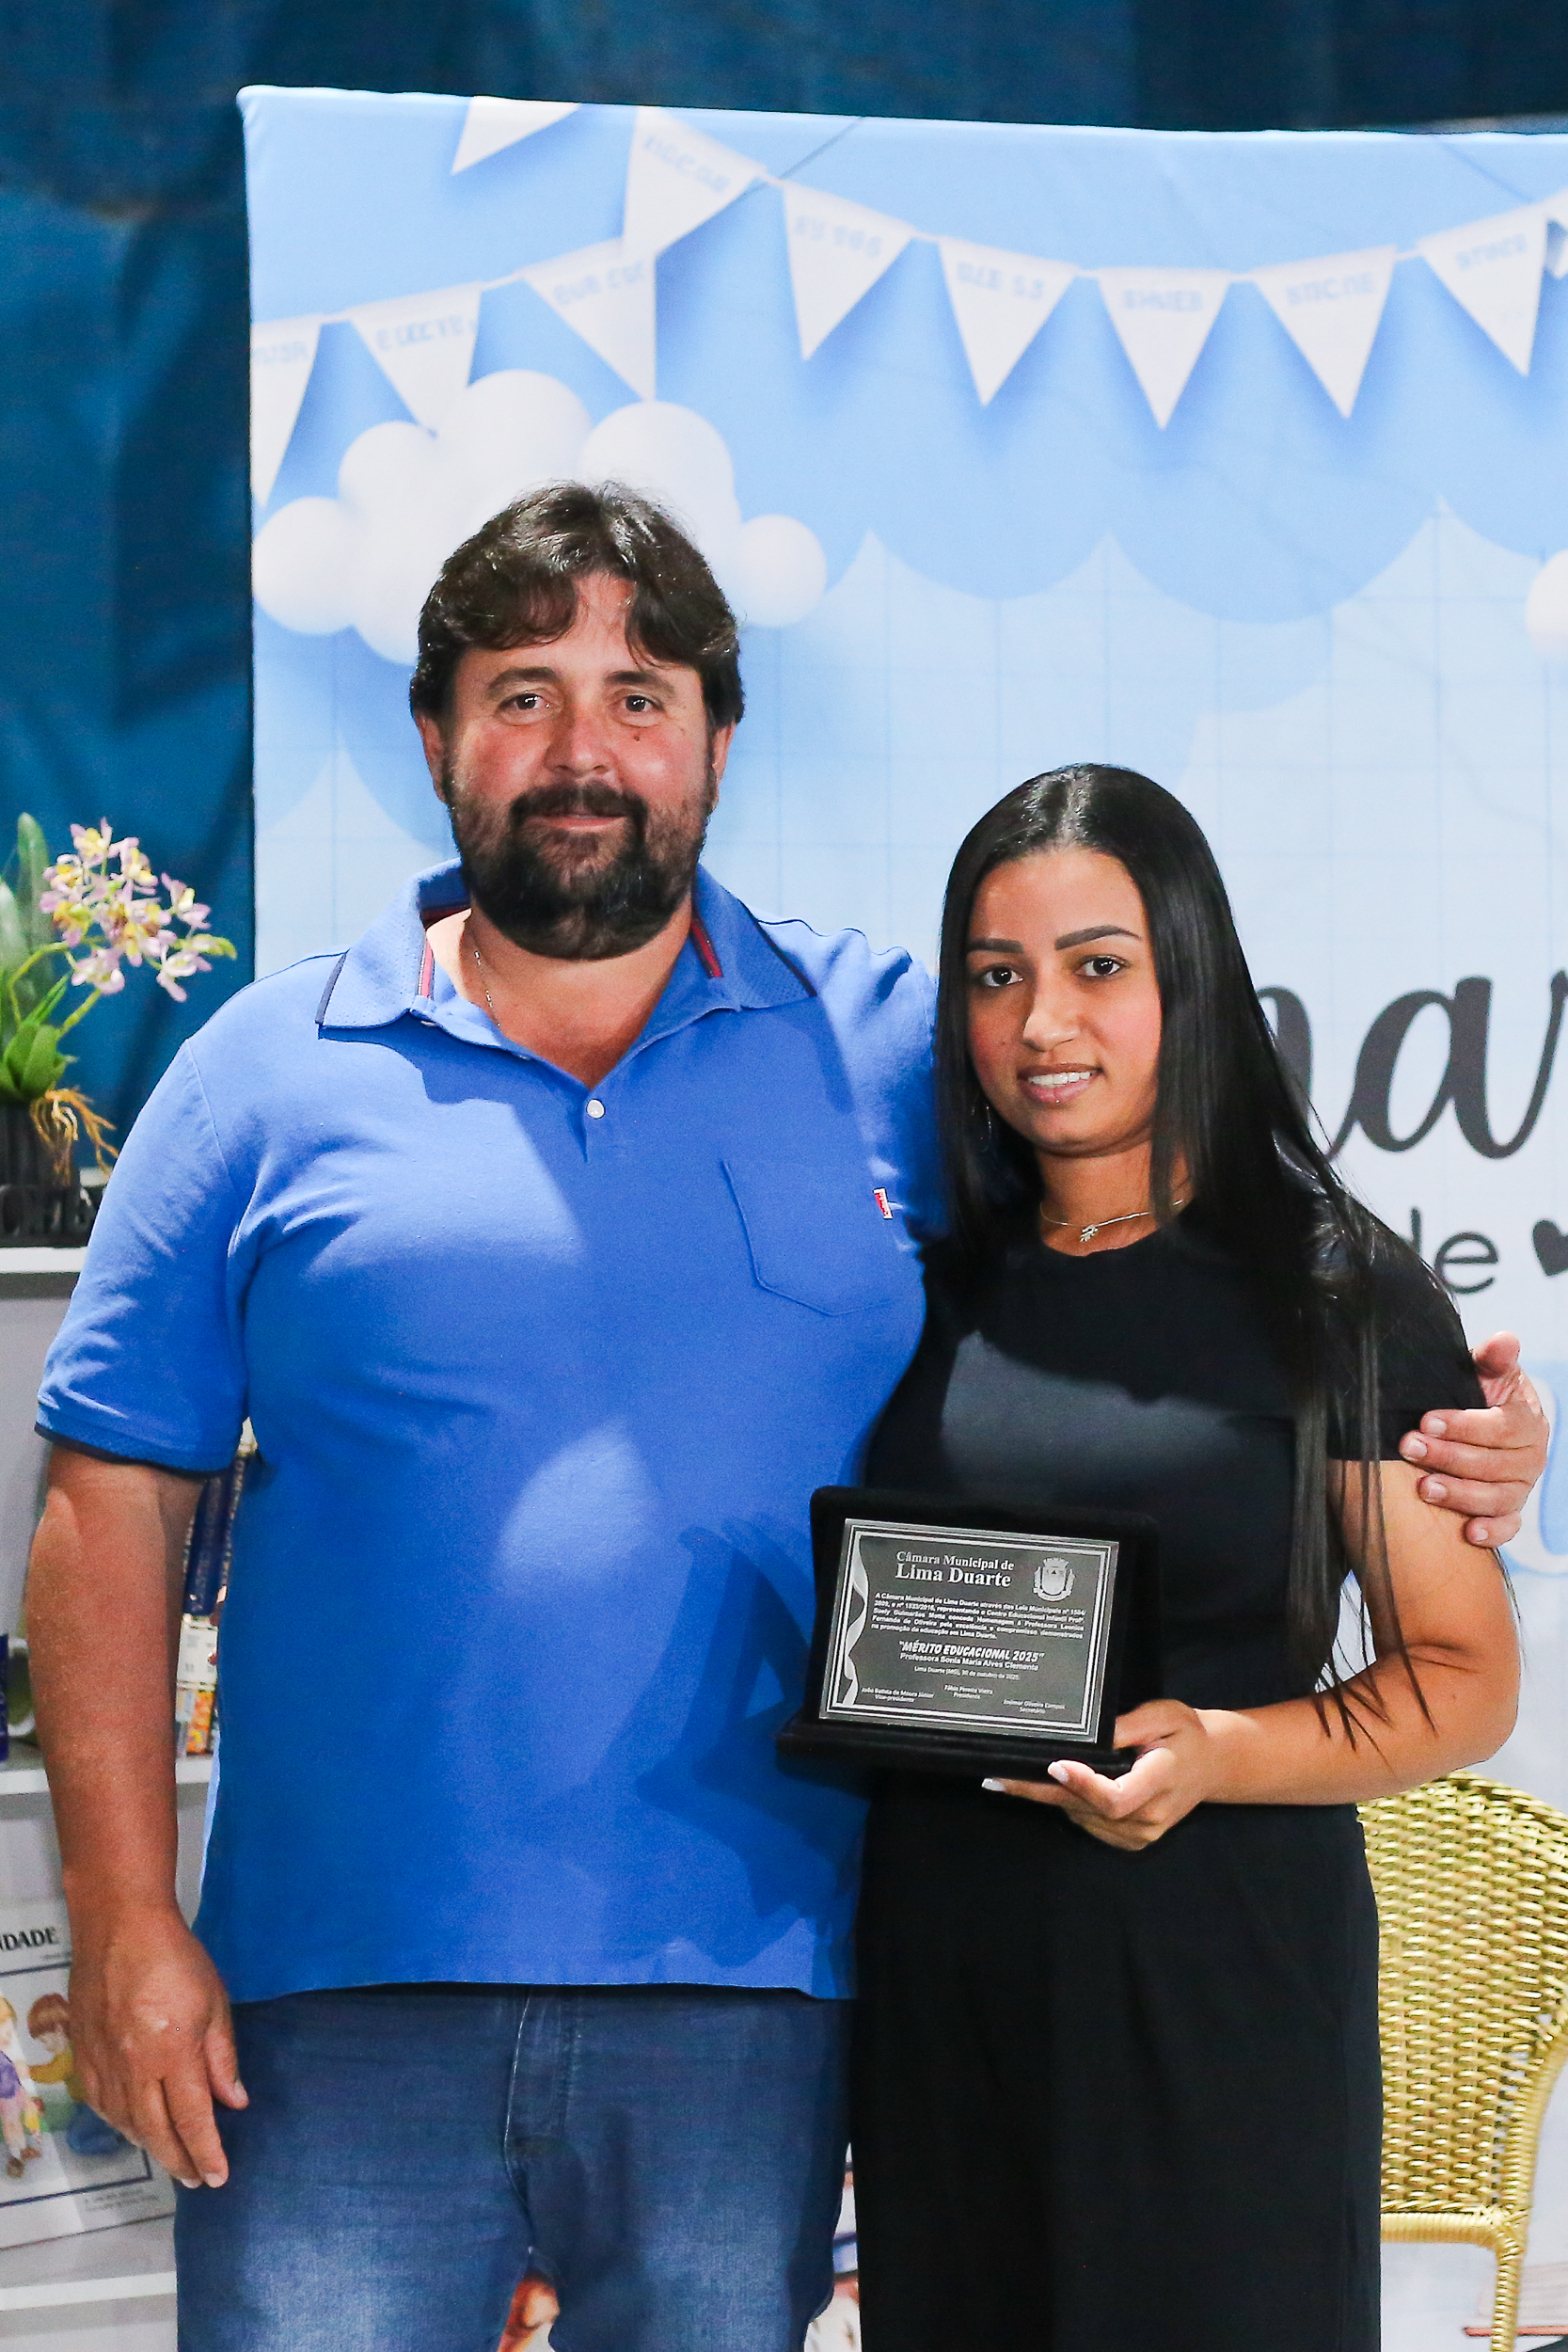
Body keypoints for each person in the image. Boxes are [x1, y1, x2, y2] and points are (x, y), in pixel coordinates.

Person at [23, 498, 1542, 2352]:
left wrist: (1441, 1420)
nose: (583, 750)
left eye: (639, 696)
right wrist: (120, 1916)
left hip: (766, 2001)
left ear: (719, 743)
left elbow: (1176, 1249)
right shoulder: (255, 1076)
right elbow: (107, 1503)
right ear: (433, 734)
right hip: (335, 2005)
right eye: (523, 693)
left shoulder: (887, 1049)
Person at [849, 766, 1525, 2352]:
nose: (1041, 1023)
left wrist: (1219, 1752)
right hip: (944, 1988)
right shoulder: (915, 1285)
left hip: (1216, 1981)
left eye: (1099, 966)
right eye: (995, 976)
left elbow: (1465, 1677)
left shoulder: (1334, 1288)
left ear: (1192, 978)